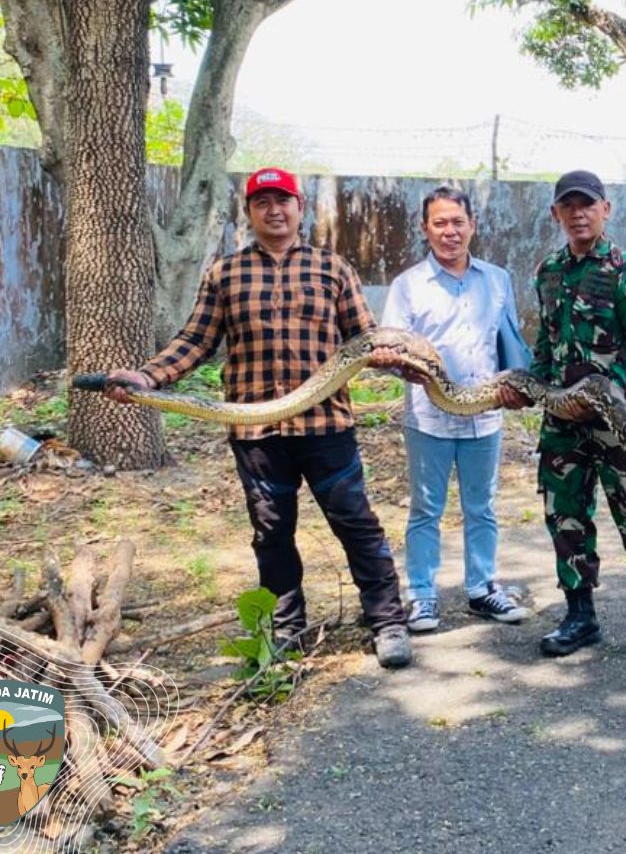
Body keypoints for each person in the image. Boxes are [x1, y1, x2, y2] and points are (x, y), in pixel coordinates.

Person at [104, 167, 413, 669]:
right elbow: (195, 342)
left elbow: (367, 336)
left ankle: (388, 622)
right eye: (262, 202)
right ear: (247, 212)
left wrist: (389, 356)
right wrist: (146, 377)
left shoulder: (332, 269)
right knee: (272, 533)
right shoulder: (224, 274)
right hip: (256, 430)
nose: (274, 210)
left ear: (300, 208)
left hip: (326, 426)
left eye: (283, 200)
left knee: (356, 523)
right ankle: (287, 629)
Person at [499, 169, 626, 662]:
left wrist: (602, 391)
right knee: (566, 515)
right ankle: (580, 617)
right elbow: (546, 342)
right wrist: (531, 386)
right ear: (556, 214)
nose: (578, 214)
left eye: (587, 205)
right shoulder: (548, 271)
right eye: (568, 206)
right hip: (563, 422)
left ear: (606, 209)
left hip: (621, 420)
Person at [380, 186, 533, 633]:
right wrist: (404, 369)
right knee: (426, 507)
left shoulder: (497, 278)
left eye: (458, 222)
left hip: (485, 414)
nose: (450, 232)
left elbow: (509, 342)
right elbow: (390, 350)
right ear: (426, 229)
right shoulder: (407, 286)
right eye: (440, 223)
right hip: (429, 417)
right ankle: (423, 596)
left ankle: (483, 589)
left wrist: (516, 383)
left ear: (472, 225)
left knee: (482, 506)